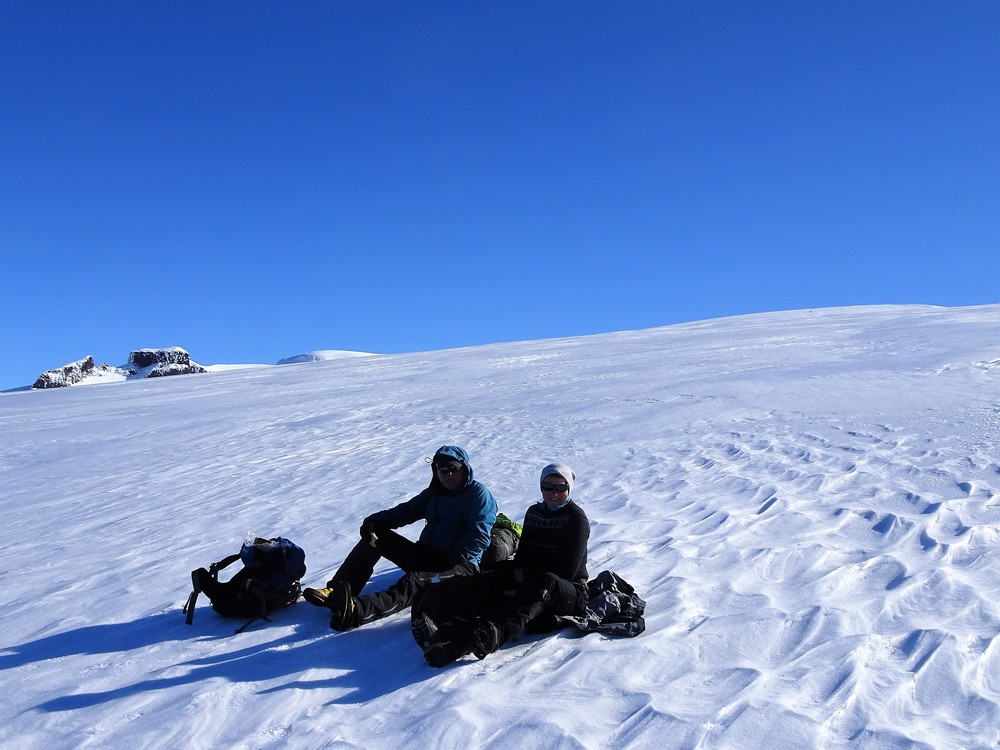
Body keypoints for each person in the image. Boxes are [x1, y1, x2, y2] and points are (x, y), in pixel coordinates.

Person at [411, 462, 590, 667]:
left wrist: (525, 574)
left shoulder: (576, 519)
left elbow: (566, 571)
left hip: (569, 592)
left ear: (569, 489)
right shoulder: (534, 513)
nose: (554, 493)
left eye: (560, 488)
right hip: (535, 580)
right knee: (492, 574)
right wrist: (508, 574)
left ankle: (487, 636)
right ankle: (442, 616)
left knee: (545, 581)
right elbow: (522, 556)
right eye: (548, 487)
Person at [303, 445, 498, 631]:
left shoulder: (478, 494)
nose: (448, 474)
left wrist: (456, 558)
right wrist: (377, 520)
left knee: (413, 582)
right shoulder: (434, 493)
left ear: (464, 468)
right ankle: (337, 591)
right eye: (443, 469)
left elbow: (480, 533)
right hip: (427, 555)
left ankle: (356, 610)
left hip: (459, 566)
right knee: (375, 537)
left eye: (454, 469)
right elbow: (407, 511)